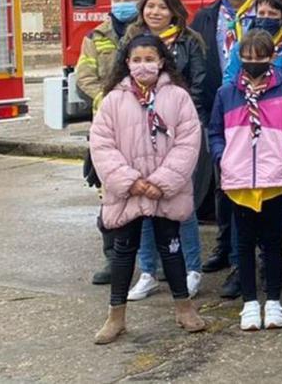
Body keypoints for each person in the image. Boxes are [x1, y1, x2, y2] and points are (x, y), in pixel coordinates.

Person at [89, 33, 205, 344]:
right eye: (137, 60)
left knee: (172, 247)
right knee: (124, 250)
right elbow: (101, 145)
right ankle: (116, 315)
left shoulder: (178, 98)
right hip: (128, 192)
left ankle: (184, 307)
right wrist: (130, 181)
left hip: (165, 191)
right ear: (126, 63)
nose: (143, 65)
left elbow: (189, 142)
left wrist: (162, 181)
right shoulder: (113, 100)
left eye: (150, 59)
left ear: (162, 61)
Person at [209, 29, 282, 332]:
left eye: (259, 58)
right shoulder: (226, 94)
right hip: (238, 183)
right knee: (243, 245)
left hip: (272, 180)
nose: (252, 64)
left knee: (273, 245)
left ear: (272, 57)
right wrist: (224, 158)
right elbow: (214, 132)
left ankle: (273, 300)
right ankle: (250, 302)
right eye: (246, 58)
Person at [123, 0, 208, 303]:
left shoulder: (190, 42)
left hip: (177, 134)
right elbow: (120, 83)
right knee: (143, 204)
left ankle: (192, 270)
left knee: (180, 204)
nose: (155, 12)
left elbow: (198, 88)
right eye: (150, 6)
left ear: (173, 10)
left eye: (162, 7)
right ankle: (148, 272)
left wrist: (187, 131)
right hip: (138, 134)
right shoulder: (131, 41)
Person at [190, 0, 257, 295]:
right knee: (221, 183)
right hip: (220, 111)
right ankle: (223, 245)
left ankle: (245, 257)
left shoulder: (265, 13)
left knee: (251, 185)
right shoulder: (205, 17)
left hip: (258, 113)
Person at [77, 0, 145, 285]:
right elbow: (85, 77)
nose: (121, 3)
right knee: (110, 194)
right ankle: (113, 259)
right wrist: (111, 100)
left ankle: (149, 263)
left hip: (143, 126)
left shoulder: (147, 33)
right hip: (106, 127)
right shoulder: (95, 36)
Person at [224, 0, 282, 87]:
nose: (266, 18)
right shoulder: (240, 47)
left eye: (272, 14)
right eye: (261, 13)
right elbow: (228, 82)